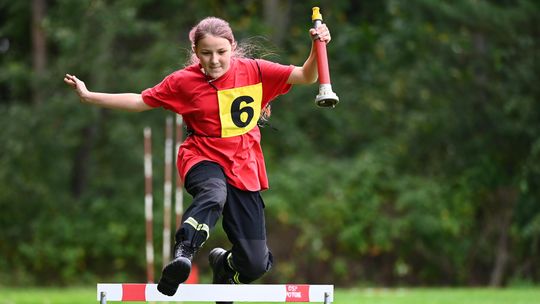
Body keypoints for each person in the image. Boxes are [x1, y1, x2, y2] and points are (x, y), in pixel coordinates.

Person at [64, 16, 332, 302]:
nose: (214, 60)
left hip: (244, 165)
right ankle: (184, 254)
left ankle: (224, 267)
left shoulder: (255, 70)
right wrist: (90, 96)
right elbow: (141, 100)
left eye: (220, 52)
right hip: (202, 156)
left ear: (232, 47)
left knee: (255, 263)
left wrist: (316, 46)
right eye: (206, 53)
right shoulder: (184, 82)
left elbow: (307, 76)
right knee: (213, 193)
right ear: (196, 53)